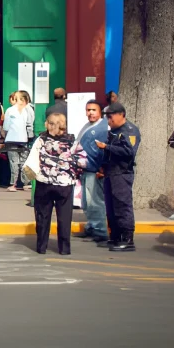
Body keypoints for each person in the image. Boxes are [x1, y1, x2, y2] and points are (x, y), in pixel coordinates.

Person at [30, 113, 86, 255]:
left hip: (44, 183)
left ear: (48, 124)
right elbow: (82, 161)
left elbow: (32, 159)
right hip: (65, 184)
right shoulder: (72, 141)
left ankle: (41, 247)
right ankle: (64, 248)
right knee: (64, 217)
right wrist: (73, 173)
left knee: (42, 216)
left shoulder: (41, 140)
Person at [98, 101, 141, 252]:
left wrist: (107, 147)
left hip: (122, 173)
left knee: (122, 206)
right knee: (111, 207)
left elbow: (129, 152)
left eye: (111, 116)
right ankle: (115, 236)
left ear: (121, 115)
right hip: (110, 172)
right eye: (107, 117)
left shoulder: (129, 130)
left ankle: (127, 238)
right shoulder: (113, 131)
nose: (108, 120)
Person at [74, 100, 109, 243]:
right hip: (85, 169)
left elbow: (103, 151)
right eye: (88, 110)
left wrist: (102, 169)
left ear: (100, 111)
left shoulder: (102, 128)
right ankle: (91, 227)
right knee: (87, 202)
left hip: (95, 170)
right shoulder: (87, 125)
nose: (90, 113)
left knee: (95, 202)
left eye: (94, 110)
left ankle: (100, 231)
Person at [2, 91, 32, 192]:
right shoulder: (27, 110)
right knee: (24, 161)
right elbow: (29, 124)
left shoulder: (10, 110)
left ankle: (13, 184)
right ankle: (26, 183)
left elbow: (6, 127)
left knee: (14, 162)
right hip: (24, 139)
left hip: (11, 138)